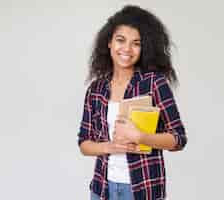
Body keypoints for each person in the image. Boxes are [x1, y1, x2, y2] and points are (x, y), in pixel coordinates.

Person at [77, 5, 187, 200]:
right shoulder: (96, 90)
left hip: (143, 189)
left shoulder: (154, 83)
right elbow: (84, 143)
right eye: (121, 40)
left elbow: (178, 139)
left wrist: (140, 136)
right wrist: (109, 147)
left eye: (136, 43)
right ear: (109, 42)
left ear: (144, 48)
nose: (127, 49)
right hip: (102, 189)